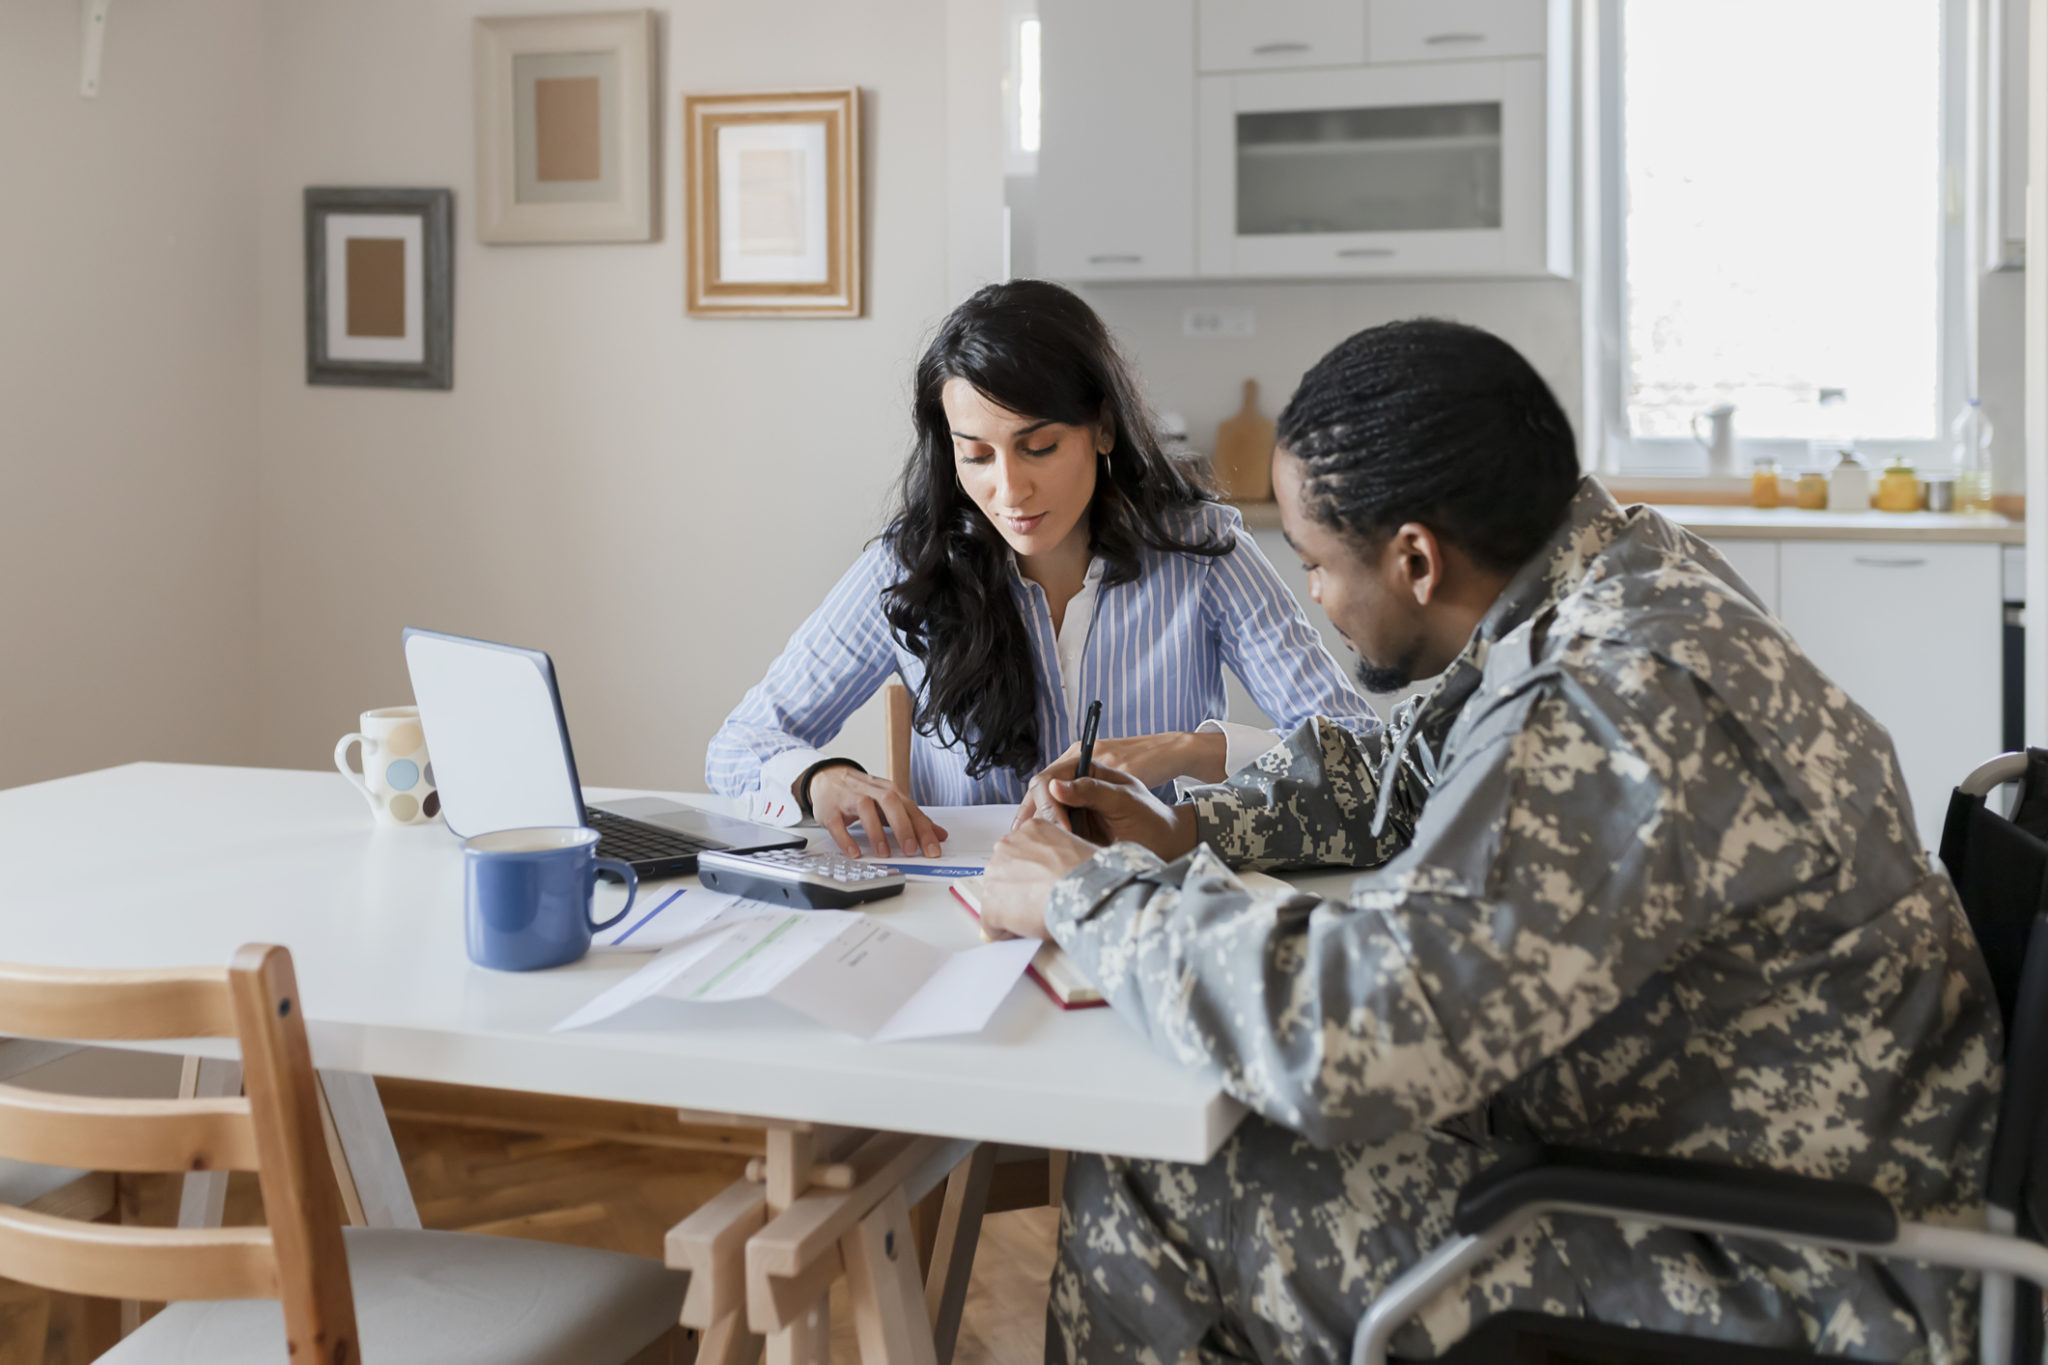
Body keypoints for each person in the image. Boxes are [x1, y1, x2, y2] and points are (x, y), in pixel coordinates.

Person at [982, 318, 2000, 1363]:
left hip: (1792, 1275)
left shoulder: (1611, 704)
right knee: (1188, 1159)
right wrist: (1185, 824)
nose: (1316, 598)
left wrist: (1084, 897)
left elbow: (1354, 1042)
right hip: (1730, 1180)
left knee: (1154, 1186)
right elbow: (1411, 775)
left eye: (1316, 564)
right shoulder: (1611, 574)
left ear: (1414, 559)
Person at [706, 279, 1376, 858]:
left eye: (1039, 447)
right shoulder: (909, 563)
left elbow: (1361, 751)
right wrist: (821, 776)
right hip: (974, 918)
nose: (1010, 490)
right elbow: (739, 747)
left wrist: (1184, 750)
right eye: (977, 455)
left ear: (1103, 429)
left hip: (1155, 904)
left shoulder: (1202, 551)